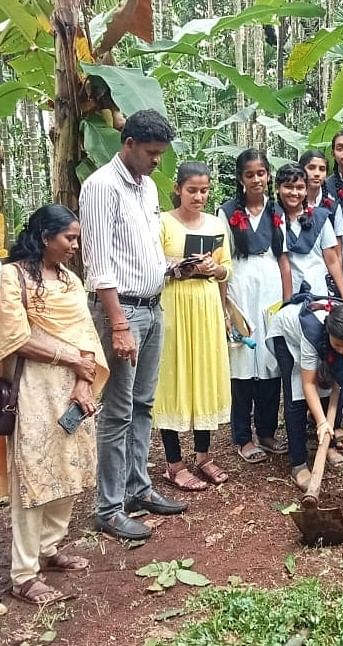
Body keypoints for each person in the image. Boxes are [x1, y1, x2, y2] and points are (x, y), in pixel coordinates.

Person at [80, 109, 187, 541]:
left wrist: (174, 267)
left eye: (161, 153)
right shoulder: (101, 188)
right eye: (151, 153)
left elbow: (144, 251)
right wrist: (119, 323)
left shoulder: (145, 189)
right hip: (121, 312)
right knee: (118, 412)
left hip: (152, 306)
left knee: (143, 404)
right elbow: (100, 264)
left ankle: (137, 487)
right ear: (128, 145)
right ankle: (108, 507)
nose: (157, 161)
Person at [0, 205, 109, 604]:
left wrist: (84, 380)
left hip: (75, 391)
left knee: (70, 470)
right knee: (34, 477)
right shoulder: (10, 278)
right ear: (46, 237)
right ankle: (24, 575)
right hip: (33, 388)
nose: (75, 246)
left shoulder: (70, 280)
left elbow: (87, 338)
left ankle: (49, 548)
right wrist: (72, 361)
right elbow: (16, 338)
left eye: (77, 238)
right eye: (69, 238)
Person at [153, 162, 232, 491]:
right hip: (173, 306)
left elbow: (228, 270)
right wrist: (177, 267)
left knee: (205, 374)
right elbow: (151, 266)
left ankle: (203, 456)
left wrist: (215, 270)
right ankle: (174, 463)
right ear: (177, 189)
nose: (199, 196)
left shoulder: (216, 225)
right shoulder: (162, 223)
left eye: (204, 190)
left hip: (207, 306)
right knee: (172, 377)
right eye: (192, 190)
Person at [218, 149, 292, 465]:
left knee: (271, 360)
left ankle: (266, 431)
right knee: (243, 363)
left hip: (271, 286)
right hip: (241, 286)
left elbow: (284, 258)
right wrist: (223, 305)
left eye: (261, 173)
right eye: (250, 174)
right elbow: (222, 259)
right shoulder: (227, 212)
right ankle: (242, 437)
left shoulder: (277, 212)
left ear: (268, 175)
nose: (257, 179)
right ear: (240, 178)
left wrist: (287, 303)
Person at [267, 298, 343, 490]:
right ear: (329, 332)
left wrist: (339, 364)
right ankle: (298, 464)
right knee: (296, 395)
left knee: (329, 386)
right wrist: (322, 421)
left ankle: (328, 445)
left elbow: (339, 377)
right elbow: (308, 384)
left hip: (323, 339)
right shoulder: (312, 332)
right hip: (287, 335)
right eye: (339, 346)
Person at [276, 163, 343, 300]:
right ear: (277, 188)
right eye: (288, 187)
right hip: (283, 295)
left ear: (306, 190)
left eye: (300, 188)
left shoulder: (319, 218)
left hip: (318, 294)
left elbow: (332, 261)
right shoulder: (273, 220)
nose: (294, 193)